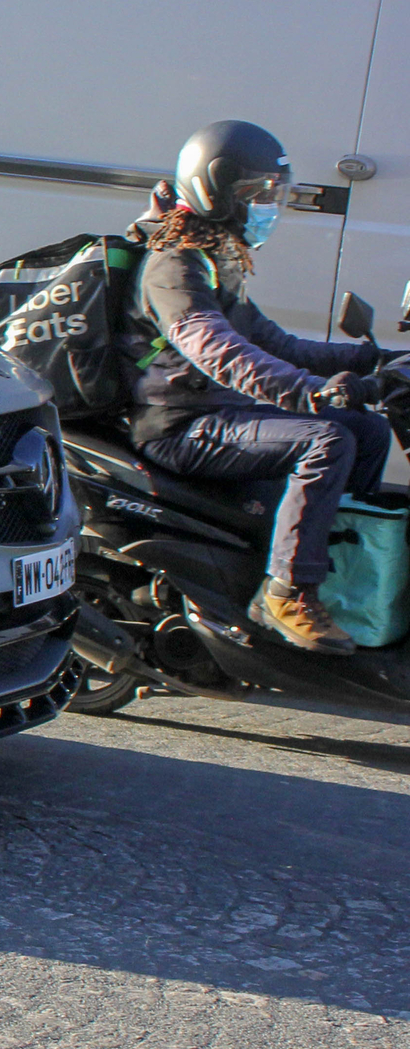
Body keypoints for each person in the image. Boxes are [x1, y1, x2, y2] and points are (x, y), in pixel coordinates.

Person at [129, 120, 389, 655]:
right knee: (326, 439)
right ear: (215, 192)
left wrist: (377, 359)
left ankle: (340, 574)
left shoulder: (215, 256)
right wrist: (310, 393)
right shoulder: (174, 265)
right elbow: (221, 351)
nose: (269, 205)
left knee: (367, 428)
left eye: (274, 193)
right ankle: (288, 591)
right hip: (181, 426)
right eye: (257, 194)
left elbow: (275, 341)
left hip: (219, 414)